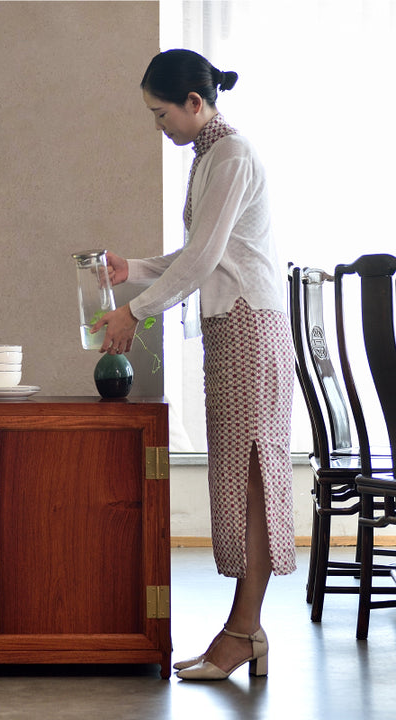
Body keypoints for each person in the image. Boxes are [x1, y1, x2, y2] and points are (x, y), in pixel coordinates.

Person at [91, 49, 296, 680]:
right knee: (241, 479)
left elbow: (207, 257)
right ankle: (244, 630)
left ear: (195, 103)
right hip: (233, 327)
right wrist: (138, 270)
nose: (160, 126)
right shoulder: (212, 156)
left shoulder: (229, 155)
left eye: (161, 114)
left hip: (249, 330)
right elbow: (204, 249)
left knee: (254, 481)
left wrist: (137, 311)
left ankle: (243, 633)